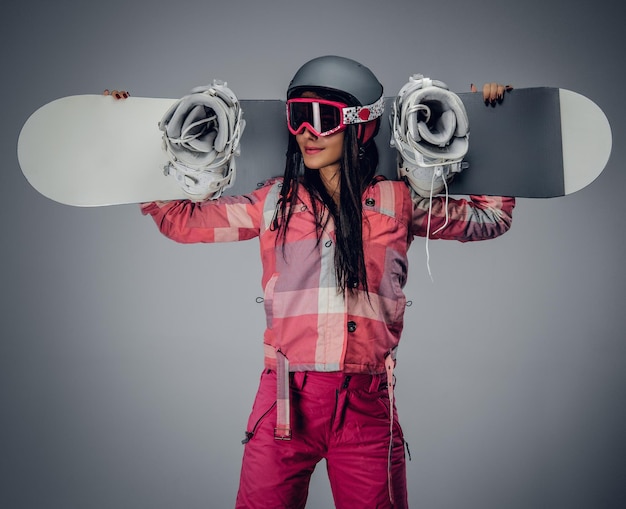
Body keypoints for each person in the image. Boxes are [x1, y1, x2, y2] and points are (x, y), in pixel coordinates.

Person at [137, 56, 515, 508]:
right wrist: (129, 134)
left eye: (324, 119)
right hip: (285, 405)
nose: (307, 134)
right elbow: (179, 220)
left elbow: (489, 219)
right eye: (297, 118)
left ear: (362, 125)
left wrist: (498, 124)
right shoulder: (274, 201)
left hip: (367, 408)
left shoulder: (398, 201)